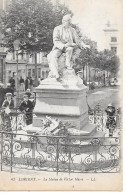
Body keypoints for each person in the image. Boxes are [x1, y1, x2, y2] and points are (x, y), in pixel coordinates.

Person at [47, 14, 89, 79]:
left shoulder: (72, 30)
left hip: (69, 48)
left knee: (69, 49)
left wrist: (83, 45)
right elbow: (55, 41)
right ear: (63, 21)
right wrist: (63, 46)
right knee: (53, 56)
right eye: (68, 21)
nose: (69, 23)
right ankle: (55, 73)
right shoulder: (57, 29)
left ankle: (68, 65)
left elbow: (78, 40)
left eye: (70, 22)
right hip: (59, 47)